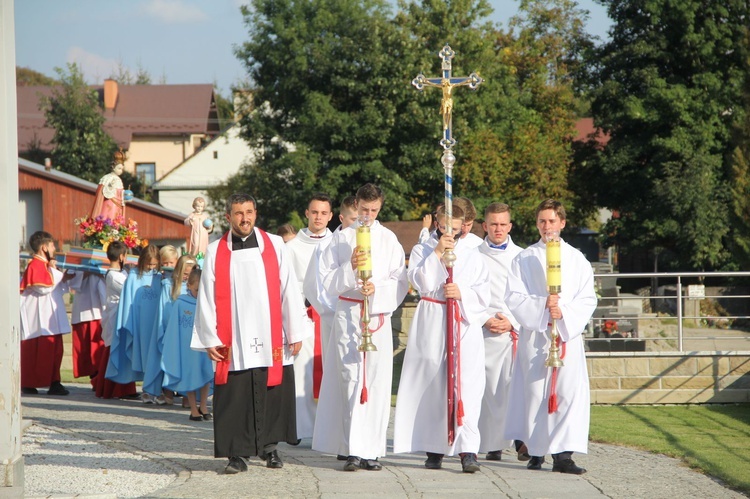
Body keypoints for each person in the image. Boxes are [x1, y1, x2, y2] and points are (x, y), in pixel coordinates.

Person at [191, 192, 309, 474]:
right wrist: (209, 337)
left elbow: (289, 288)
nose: (244, 218)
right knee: (235, 395)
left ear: (256, 213)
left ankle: (270, 449)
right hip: (233, 337)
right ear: (228, 217)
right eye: (238, 213)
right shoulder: (216, 250)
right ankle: (236, 455)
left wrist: (295, 330)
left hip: (271, 334)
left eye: (249, 212)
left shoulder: (276, 244)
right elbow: (206, 296)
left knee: (273, 392)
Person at [312, 184, 408, 472]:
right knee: (351, 380)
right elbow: (325, 281)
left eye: (373, 211)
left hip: (376, 315)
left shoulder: (389, 239)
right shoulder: (340, 240)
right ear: (357, 205)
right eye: (364, 210)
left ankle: (372, 451)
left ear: (380, 208)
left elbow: (400, 280)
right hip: (349, 313)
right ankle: (352, 449)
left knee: (376, 383)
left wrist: (377, 288)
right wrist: (350, 269)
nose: (367, 216)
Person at [393, 205, 490, 473]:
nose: (452, 234)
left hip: (462, 321)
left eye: (457, 230)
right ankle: (434, 447)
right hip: (433, 317)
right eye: (447, 228)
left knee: (467, 385)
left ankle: (467, 450)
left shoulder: (473, 254)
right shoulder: (423, 250)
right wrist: (437, 253)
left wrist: (462, 293)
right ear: (437, 222)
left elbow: (484, 295)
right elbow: (421, 282)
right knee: (433, 383)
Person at [504, 199, 597, 474]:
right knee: (534, 393)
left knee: (566, 394)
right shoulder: (524, 258)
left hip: (565, 336)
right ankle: (535, 450)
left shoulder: (577, 259)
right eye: (542, 221)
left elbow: (587, 298)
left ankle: (563, 455)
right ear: (537, 224)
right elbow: (514, 296)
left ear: (562, 223)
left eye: (552, 221)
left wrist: (563, 312)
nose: (547, 227)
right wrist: (543, 305)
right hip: (536, 335)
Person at [476, 203, 529, 462]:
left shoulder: (522, 257)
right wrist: (484, 318)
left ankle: (520, 440)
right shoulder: (473, 255)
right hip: (483, 330)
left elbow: (526, 295)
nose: (498, 229)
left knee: (512, 387)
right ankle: (492, 443)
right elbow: (469, 293)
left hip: (512, 331)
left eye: (503, 224)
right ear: (484, 226)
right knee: (487, 390)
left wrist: (511, 321)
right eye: (493, 224)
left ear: (510, 226)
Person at [286, 193, 334, 440]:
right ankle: (300, 428)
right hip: (303, 316)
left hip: (330, 318)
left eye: (324, 213)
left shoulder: (339, 243)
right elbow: (287, 284)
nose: (318, 217)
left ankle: (327, 428)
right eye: (314, 212)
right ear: (306, 213)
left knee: (331, 370)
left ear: (331, 216)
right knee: (301, 372)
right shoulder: (292, 247)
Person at [20, 231, 74, 395]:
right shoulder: (35, 264)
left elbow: (56, 287)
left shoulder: (45, 265)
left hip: (49, 315)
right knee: (37, 351)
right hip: (38, 317)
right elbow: (43, 288)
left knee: (55, 351)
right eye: (51, 245)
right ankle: (30, 382)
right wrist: (56, 272)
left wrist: (64, 276)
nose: (54, 248)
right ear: (44, 247)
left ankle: (54, 381)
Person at [106, 244, 160, 389]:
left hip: (155, 324)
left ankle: (155, 389)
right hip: (138, 325)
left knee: (155, 354)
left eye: (155, 264)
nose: (152, 267)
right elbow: (127, 302)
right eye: (149, 264)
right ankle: (147, 389)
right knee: (140, 354)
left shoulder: (159, 278)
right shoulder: (133, 277)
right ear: (142, 261)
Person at [162, 267, 213, 422]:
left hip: (205, 346)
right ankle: (193, 409)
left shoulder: (208, 303)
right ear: (189, 285)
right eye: (197, 289)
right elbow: (173, 328)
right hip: (187, 349)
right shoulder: (181, 303)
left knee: (206, 374)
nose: (200, 293)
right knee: (190, 377)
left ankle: (203, 406)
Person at [94, 241, 137, 399]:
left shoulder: (120, 273)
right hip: (115, 316)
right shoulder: (113, 275)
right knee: (115, 351)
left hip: (121, 315)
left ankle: (125, 388)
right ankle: (115, 389)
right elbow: (129, 288)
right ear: (121, 256)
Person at [68, 270, 106, 388]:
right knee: (88, 351)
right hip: (84, 309)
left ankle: (100, 380)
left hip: (100, 311)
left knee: (99, 351)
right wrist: (86, 272)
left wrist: (101, 273)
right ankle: (94, 379)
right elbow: (71, 282)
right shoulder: (77, 263)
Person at [90, 150, 127, 220]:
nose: (121, 171)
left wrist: (126, 196)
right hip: (109, 203)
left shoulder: (119, 180)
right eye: (119, 168)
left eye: (122, 169)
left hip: (117, 206)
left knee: (116, 220)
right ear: (113, 167)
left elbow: (120, 193)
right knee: (107, 219)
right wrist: (110, 187)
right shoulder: (107, 178)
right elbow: (102, 192)